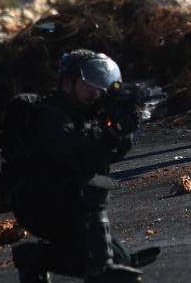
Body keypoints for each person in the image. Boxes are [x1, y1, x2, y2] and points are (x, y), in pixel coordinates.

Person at [10, 50, 157, 282]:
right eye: (89, 83)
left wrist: (123, 127)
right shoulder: (51, 116)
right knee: (92, 187)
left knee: (122, 261)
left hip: (70, 201)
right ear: (68, 84)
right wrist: (112, 133)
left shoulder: (87, 114)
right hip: (41, 202)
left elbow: (109, 155)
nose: (96, 92)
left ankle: (34, 257)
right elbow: (82, 158)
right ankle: (100, 267)